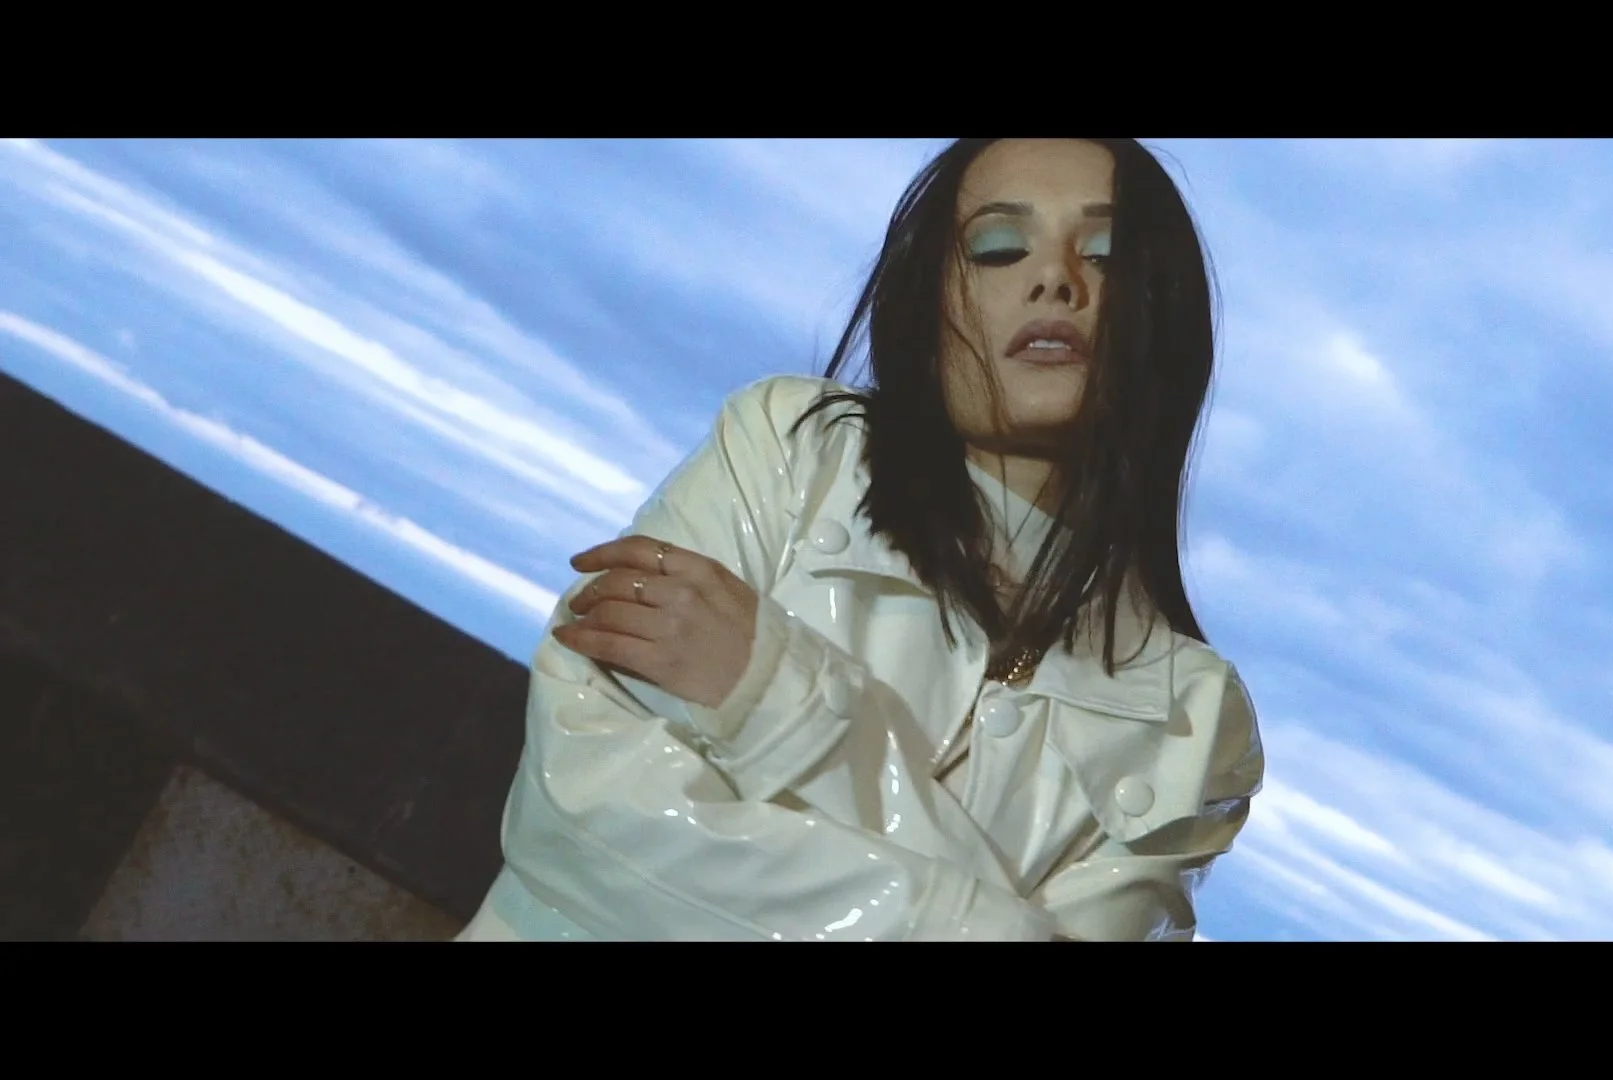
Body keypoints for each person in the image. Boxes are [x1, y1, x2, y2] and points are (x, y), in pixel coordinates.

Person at [455, 138, 1265, 942]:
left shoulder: (1193, 719)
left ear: (1166, 316)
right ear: (927, 301)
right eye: (998, 247)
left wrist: (785, 706)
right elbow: (583, 807)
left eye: (1107, 255)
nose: (1056, 278)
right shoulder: (790, 451)